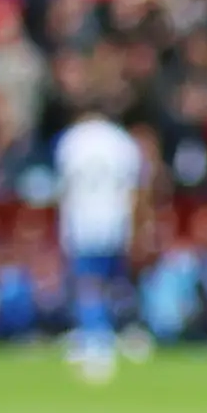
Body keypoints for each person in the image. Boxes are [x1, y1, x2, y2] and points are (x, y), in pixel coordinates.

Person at [50, 110, 147, 383]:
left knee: (88, 285)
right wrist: (137, 225)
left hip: (82, 222)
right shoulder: (121, 141)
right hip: (115, 220)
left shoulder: (72, 140)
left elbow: (63, 186)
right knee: (114, 281)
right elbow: (135, 187)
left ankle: (97, 339)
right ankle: (125, 331)